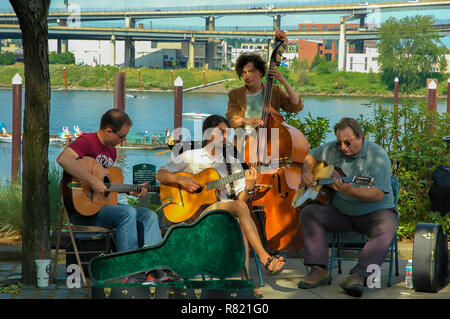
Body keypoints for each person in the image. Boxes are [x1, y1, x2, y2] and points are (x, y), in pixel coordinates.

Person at [155, 115, 288, 280]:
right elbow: (160, 174)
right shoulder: (190, 156)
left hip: (223, 210)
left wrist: (249, 187)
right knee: (238, 210)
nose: (226, 137)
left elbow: (241, 201)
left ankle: (245, 282)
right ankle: (264, 258)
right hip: (195, 213)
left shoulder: (232, 162)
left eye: (227, 133)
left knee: (239, 218)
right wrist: (180, 179)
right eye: (221, 132)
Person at [56, 108, 166, 283]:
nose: (123, 141)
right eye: (121, 136)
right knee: (127, 213)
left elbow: (106, 188)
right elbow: (63, 159)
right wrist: (92, 180)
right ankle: (126, 273)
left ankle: (156, 269)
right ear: (108, 131)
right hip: (81, 212)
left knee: (149, 215)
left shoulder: (111, 151)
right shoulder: (87, 141)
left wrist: (128, 189)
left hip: (101, 209)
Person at [297, 117, 397, 298]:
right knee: (310, 213)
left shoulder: (378, 156)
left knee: (386, 227)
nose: (343, 147)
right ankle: (319, 269)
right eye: (340, 142)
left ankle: (359, 276)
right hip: (341, 212)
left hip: (375, 212)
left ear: (360, 137)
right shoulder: (334, 149)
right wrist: (306, 172)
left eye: (348, 142)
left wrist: (351, 191)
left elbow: (377, 194)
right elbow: (311, 156)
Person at [225, 52, 303, 134]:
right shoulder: (235, 94)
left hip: (270, 139)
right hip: (243, 140)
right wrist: (246, 120)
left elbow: (296, 107)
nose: (246, 76)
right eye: (243, 72)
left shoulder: (275, 91)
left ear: (261, 72)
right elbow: (231, 120)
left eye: (251, 71)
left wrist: (284, 81)